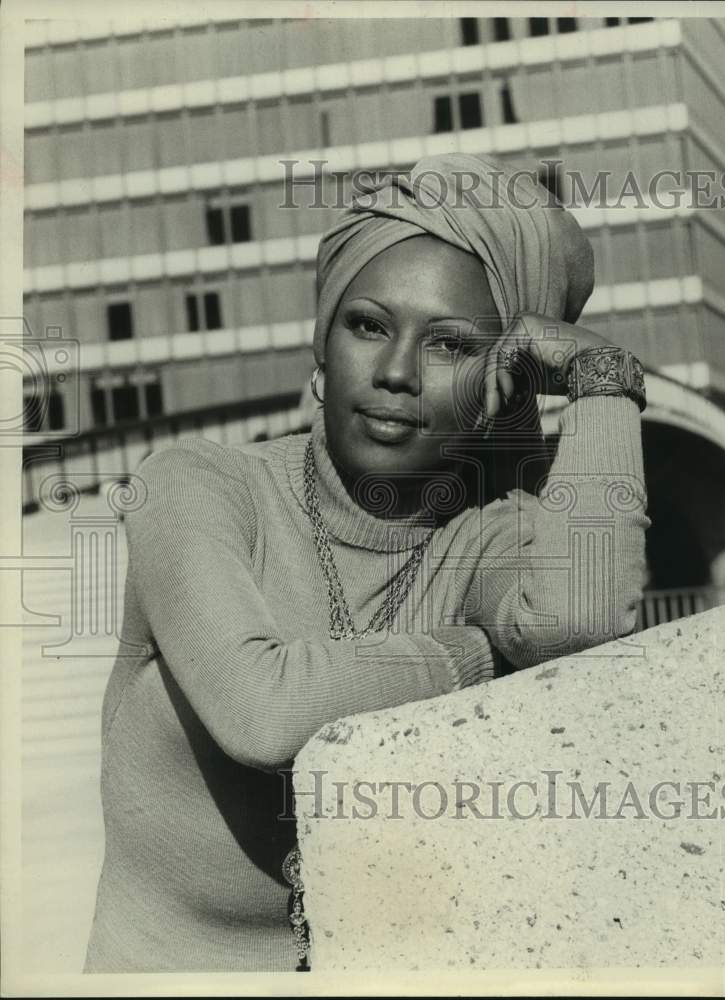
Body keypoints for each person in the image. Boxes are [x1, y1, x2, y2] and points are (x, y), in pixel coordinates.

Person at [84, 154, 650, 972]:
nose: (392, 373)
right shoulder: (199, 486)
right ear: (323, 342)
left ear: (505, 381)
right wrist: (473, 654)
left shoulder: (487, 536)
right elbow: (261, 711)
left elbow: (583, 614)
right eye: (368, 325)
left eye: (450, 344)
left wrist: (602, 381)